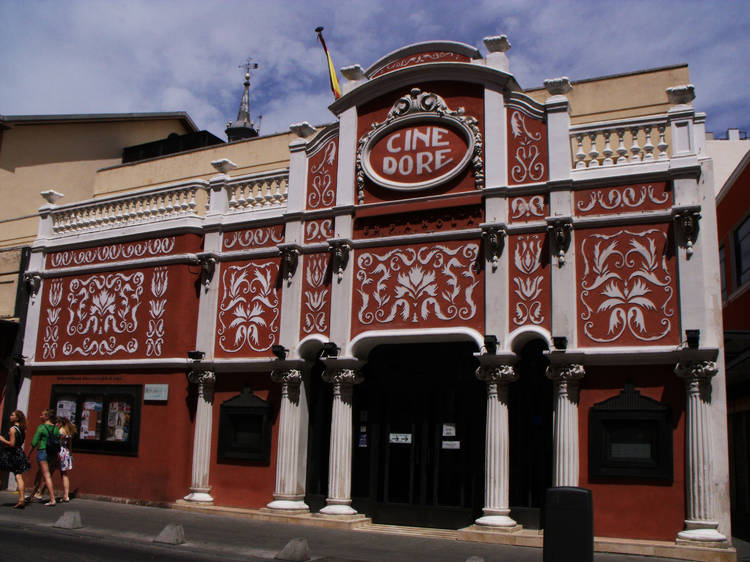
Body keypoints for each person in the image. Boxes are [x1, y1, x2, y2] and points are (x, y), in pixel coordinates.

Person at [26, 409, 59, 506]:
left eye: (42, 415)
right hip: (52, 454)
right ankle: (32, 496)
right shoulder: (56, 429)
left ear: (47, 417)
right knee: (40, 474)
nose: (40, 417)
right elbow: (58, 443)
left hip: (43, 452)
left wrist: (28, 454)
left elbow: (34, 442)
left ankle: (52, 499)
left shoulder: (41, 427)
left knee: (46, 475)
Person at [0, 410, 31, 508]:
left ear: (17, 418)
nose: (10, 416)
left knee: (1, 474)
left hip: (10, 454)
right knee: (18, 476)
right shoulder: (22, 429)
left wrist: (2, 439)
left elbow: (12, 444)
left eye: (12, 415)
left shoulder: (13, 429)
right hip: (19, 453)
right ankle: (21, 499)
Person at [56, 416, 76, 502]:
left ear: (60, 423)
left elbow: (57, 443)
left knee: (49, 471)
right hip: (66, 452)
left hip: (60, 452)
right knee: (64, 474)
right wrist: (70, 453)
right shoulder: (68, 432)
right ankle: (66, 495)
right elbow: (70, 445)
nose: (56, 424)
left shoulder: (60, 431)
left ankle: (40, 492)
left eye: (57, 423)